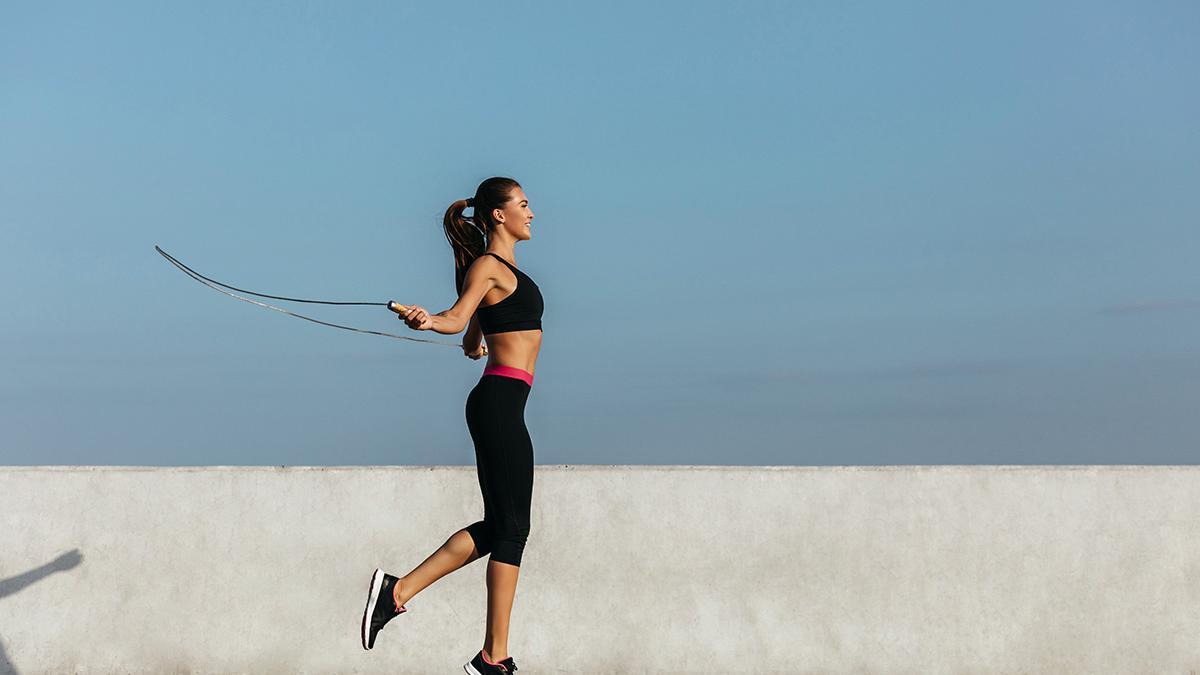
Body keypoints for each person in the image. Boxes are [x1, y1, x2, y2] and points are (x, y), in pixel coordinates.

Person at [361, 177, 542, 675]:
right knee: (512, 529)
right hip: (499, 402)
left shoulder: (501, 269)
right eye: (524, 204)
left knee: (502, 526)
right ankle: (493, 656)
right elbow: (455, 315)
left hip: (505, 402)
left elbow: (470, 333)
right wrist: (426, 320)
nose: (533, 213)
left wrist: (473, 342)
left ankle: (397, 591)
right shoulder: (488, 266)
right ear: (499, 215)